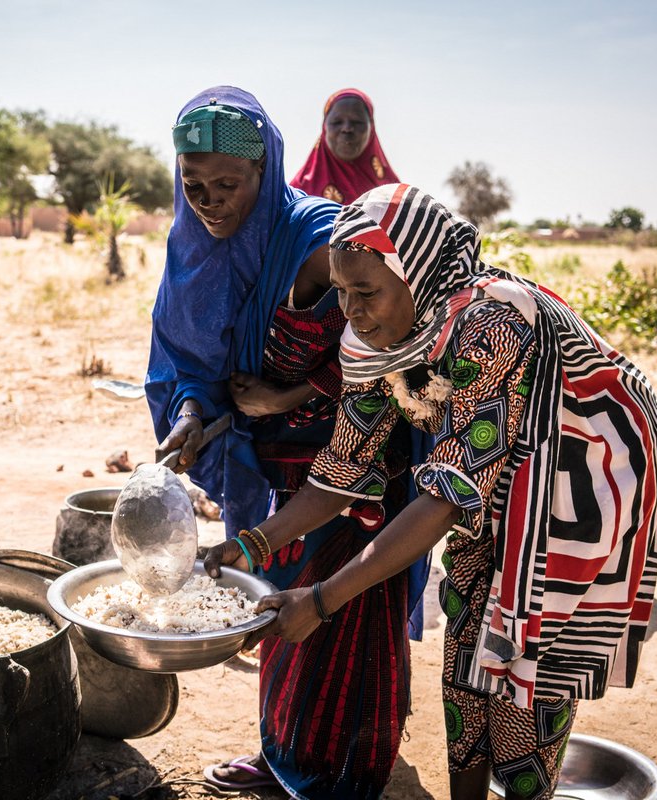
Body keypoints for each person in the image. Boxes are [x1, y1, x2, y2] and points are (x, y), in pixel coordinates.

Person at [207, 183, 657, 800]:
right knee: (467, 645)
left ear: (416, 274)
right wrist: (250, 546)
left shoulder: (491, 325)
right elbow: (343, 467)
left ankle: (529, 784)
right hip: (497, 469)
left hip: (583, 462)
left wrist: (320, 601)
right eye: (340, 291)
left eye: (367, 291)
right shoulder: (372, 342)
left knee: (524, 660)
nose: (351, 310)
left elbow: (445, 499)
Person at [146, 88, 429, 799]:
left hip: (356, 460)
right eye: (193, 186)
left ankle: (337, 772)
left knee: (339, 616)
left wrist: (287, 397)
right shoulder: (192, 251)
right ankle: (285, 757)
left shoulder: (318, 239)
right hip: (276, 467)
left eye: (228, 184)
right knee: (279, 604)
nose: (210, 203)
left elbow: (382, 348)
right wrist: (190, 413)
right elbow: (193, 362)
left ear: (265, 170)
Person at [290, 88, 399, 205]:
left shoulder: (395, 197)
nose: (347, 129)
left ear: (371, 127)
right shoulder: (297, 197)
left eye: (357, 122)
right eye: (337, 122)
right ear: (324, 127)